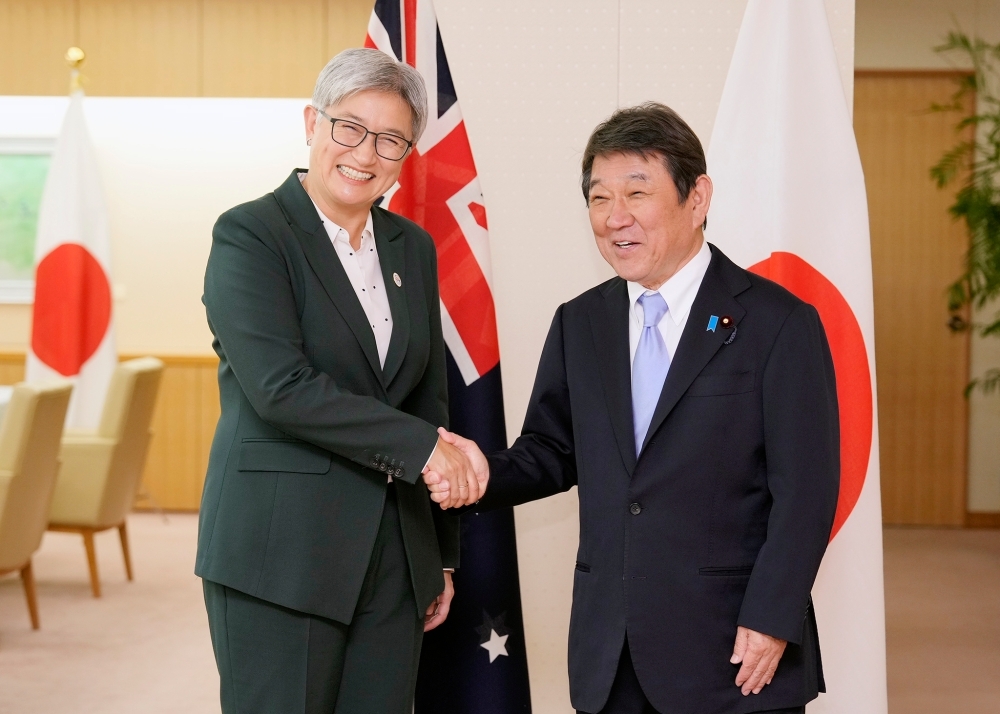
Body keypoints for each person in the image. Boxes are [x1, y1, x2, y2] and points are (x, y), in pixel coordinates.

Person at [424, 103, 840, 714]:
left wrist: (773, 617)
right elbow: (553, 450)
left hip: (734, 651)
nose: (615, 218)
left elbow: (806, 488)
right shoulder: (580, 322)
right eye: (598, 198)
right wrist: (483, 472)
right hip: (610, 650)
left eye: (637, 193)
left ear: (697, 197)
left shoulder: (778, 324)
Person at [196, 48, 484, 714]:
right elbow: (280, 387)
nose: (366, 152)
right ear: (311, 122)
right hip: (281, 554)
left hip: (392, 557)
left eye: (390, 139)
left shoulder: (412, 245)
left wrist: (436, 552)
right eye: (349, 126)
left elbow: (425, 397)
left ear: (407, 152)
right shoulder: (251, 235)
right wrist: (421, 450)